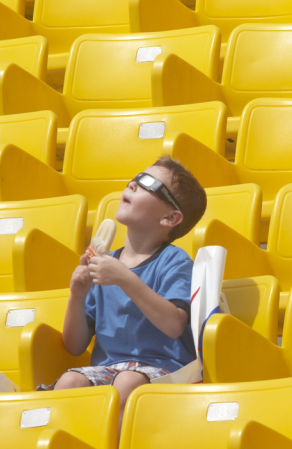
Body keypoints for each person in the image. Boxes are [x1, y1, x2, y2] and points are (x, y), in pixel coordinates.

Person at [53, 156, 207, 425]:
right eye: (135, 178)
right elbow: (74, 346)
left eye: (148, 183)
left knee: (127, 381)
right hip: (107, 367)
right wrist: (77, 296)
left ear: (170, 217)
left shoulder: (174, 261)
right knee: (69, 382)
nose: (132, 184)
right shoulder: (104, 264)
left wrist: (125, 278)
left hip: (165, 368)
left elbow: (174, 325)